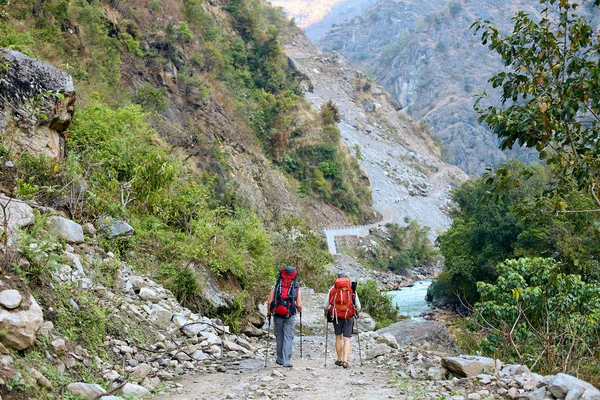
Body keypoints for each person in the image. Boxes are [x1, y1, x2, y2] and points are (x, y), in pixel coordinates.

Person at [323, 271, 361, 369]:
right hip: (348, 316)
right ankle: (345, 360)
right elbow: (358, 305)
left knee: (338, 337)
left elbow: (325, 305)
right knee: (347, 338)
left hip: (336, 316)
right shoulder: (351, 288)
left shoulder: (333, 289)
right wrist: (356, 313)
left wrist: (326, 313)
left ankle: (339, 359)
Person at [267, 266, 302, 367]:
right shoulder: (296, 287)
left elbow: (270, 302)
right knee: (288, 336)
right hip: (289, 315)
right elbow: (299, 305)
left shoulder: (276, 286)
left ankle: (279, 358)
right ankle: (286, 361)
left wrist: (269, 313)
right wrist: (299, 310)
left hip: (277, 314)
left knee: (279, 336)